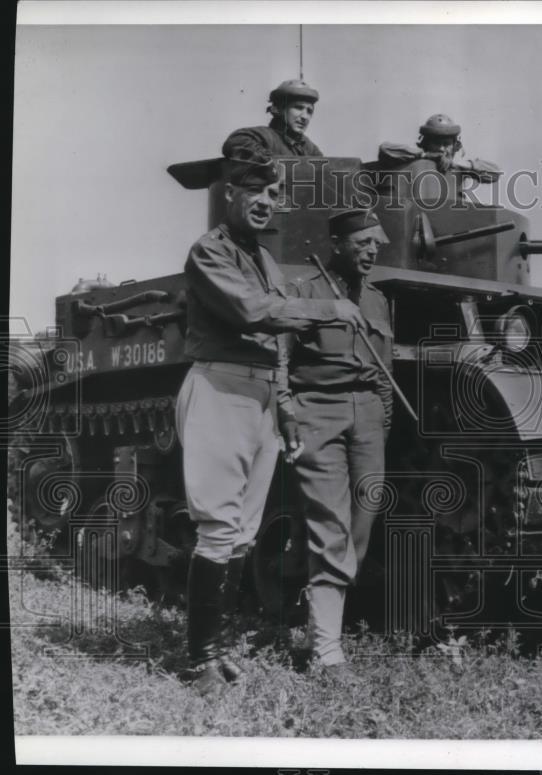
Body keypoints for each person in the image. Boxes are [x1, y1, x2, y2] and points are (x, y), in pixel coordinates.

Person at [176, 150, 365, 696]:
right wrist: (330, 310)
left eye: (273, 194)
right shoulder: (210, 252)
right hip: (220, 386)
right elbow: (254, 312)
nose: (265, 202)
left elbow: (278, 337)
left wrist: (283, 402)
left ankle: (221, 648)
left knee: (243, 533)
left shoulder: (262, 256)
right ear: (229, 194)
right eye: (253, 191)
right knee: (218, 525)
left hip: (259, 391)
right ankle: (201, 660)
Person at [279, 208, 394, 675]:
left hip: (366, 415)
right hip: (318, 411)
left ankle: (324, 618)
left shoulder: (379, 301)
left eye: (376, 245)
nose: (371, 251)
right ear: (337, 244)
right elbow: (280, 359)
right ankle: (327, 651)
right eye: (363, 243)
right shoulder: (305, 293)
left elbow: (387, 369)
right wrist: (287, 410)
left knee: (361, 524)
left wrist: (380, 416)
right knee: (331, 523)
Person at [377, 113, 501, 183]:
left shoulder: (459, 167)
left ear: (455, 146)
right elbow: (385, 149)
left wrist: (459, 164)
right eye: (436, 143)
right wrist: (424, 156)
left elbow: (495, 173)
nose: (441, 149)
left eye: (446, 144)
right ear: (426, 143)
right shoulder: (411, 158)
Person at [224, 79, 323, 158]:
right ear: (279, 109)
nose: (305, 117)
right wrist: (272, 161)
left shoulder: (310, 148)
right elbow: (236, 142)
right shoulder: (264, 136)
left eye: (309, 111)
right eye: (298, 107)